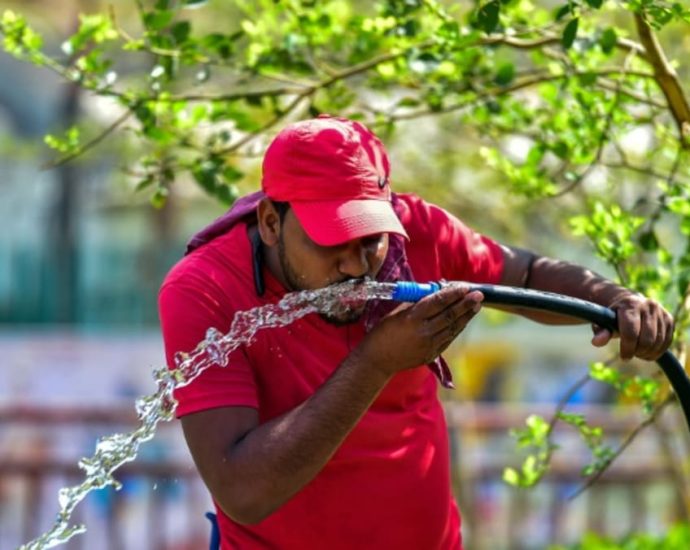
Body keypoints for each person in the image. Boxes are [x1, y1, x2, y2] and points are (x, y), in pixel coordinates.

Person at [158, 115, 674, 550]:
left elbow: (527, 275)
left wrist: (616, 301)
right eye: (333, 238)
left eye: (371, 238)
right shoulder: (204, 290)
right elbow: (243, 490)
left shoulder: (418, 234)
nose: (356, 264)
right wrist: (375, 362)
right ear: (271, 222)